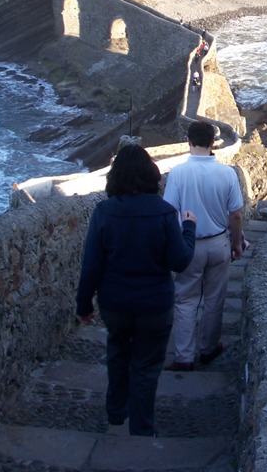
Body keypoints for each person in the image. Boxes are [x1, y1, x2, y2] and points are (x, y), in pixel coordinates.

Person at [76, 143, 197, 436]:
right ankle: (141, 427)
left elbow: (91, 263)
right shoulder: (165, 213)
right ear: (151, 175)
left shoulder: (104, 211)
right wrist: (189, 228)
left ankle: (116, 414)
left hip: (115, 303)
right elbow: (180, 261)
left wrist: (83, 306)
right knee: (147, 364)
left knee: (117, 355)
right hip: (155, 305)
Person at [164, 120, 244, 371]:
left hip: (188, 245)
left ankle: (184, 357)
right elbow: (237, 214)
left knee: (186, 299)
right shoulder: (227, 173)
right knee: (214, 299)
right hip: (219, 243)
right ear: (212, 143)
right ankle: (208, 348)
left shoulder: (178, 173)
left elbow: (169, 211)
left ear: (189, 141)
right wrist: (237, 243)